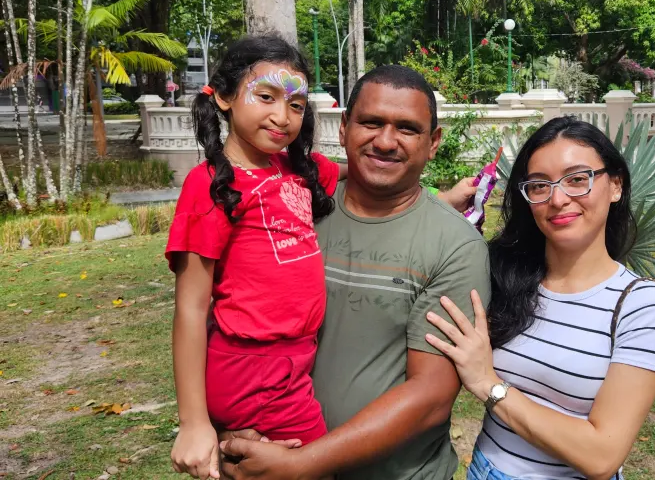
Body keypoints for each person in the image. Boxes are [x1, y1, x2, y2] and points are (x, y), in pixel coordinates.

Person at [217, 65, 492, 480]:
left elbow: (431, 396)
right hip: (270, 455)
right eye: (371, 122)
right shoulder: (292, 208)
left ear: (433, 142)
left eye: (407, 128)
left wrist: (304, 464)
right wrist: (229, 429)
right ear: (344, 128)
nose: (385, 141)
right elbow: (224, 318)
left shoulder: (455, 246)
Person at [425, 117, 655, 480]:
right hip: (483, 470)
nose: (557, 199)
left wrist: (488, 384)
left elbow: (601, 456)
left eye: (577, 179)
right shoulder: (505, 277)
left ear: (615, 185)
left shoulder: (642, 307)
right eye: (539, 185)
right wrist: (447, 207)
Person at [166, 34, 345, 480]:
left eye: (296, 105)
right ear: (225, 97)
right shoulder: (210, 185)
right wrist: (193, 423)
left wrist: (437, 196)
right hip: (256, 372)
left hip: (292, 361)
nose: (282, 116)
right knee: (312, 468)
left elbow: (352, 173)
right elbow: (191, 308)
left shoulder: (294, 170)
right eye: (266, 97)